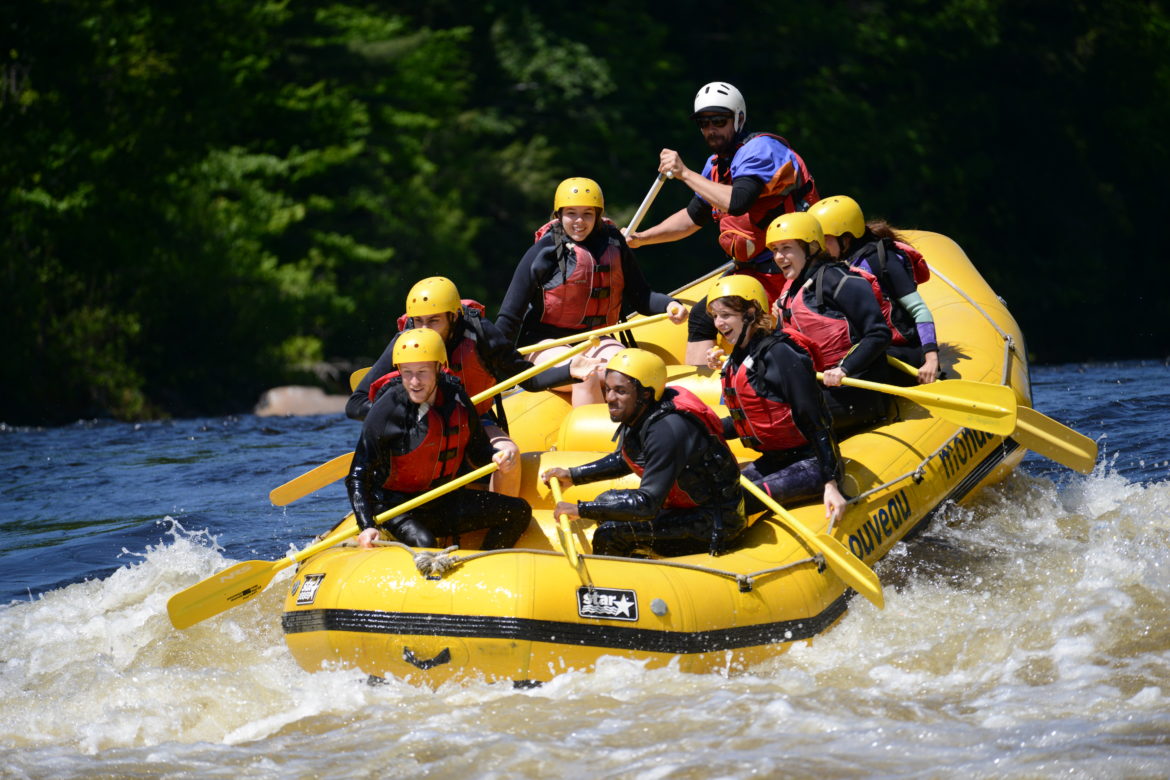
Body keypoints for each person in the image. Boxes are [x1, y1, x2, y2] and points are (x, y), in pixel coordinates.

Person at [349, 276, 603, 496]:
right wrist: (397, 418)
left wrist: (569, 371)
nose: (425, 330)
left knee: (509, 455)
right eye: (419, 321)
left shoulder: (480, 333)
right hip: (420, 427)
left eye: (434, 321)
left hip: (474, 421)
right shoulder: (407, 342)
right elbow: (356, 403)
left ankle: (502, 520)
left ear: (453, 316)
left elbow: (526, 377)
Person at [626, 81, 819, 366]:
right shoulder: (715, 166)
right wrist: (642, 238)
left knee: (754, 324)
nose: (711, 129)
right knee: (703, 317)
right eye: (704, 123)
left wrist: (684, 173)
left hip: (792, 270)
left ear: (738, 119)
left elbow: (737, 201)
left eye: (719, 120)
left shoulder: (762, 149)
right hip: (754, 272)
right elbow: (693, 217)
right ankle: (698, 402)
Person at [496, 177, 688, 405]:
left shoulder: (613, 244)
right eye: (571, 213)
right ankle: (589, 437)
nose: (579, 221)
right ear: (558, 215)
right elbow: (509, 317)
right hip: (545, 345)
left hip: (596, 341)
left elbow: (641, 296)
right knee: (584, 374)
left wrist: (669, 305)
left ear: (597, 215)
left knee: (632, 373)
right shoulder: (543, 252)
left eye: (587, 213)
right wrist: (496, 362)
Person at [540, 348, 746, 558]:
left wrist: (581, 509)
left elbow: (646, 505)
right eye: (608, 389)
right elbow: (628, 458)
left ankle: (607, 589)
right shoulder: (645, 410)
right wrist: (574, 475)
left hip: (714, 524)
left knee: (610, 534)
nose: (610, 398)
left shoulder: (667, 431)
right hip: (689, 510)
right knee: (607, 499)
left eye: (620, 391)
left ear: (645, 393)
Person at [346, 328, 532, 551]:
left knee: (518, 511)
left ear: (438, 368)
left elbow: (478, 451)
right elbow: (357, 476)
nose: (415, 382)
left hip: (443, 501)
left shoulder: (457, 399)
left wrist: (497, 457)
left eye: (422, 372)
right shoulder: (386, 410)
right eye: (407, 373)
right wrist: (366, 525)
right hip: (396, 507)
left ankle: (486, 562)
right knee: (425, 543)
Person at [703, 276, 847, 528]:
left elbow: (816, 419)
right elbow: (745, 418)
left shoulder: (779, 353)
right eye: (715, 316)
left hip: (810, 463)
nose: (719, 323)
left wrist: (831, 483)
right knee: (710, 496)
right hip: (775, 459)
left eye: (726, 315)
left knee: (731, 505)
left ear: (750, 312)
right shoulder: (740, 356)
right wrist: (699, 431)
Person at [769, 212, 892, 432]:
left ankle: (826, 466)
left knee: (790, 422)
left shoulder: (838, 280)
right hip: (823, 389)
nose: (779, 257)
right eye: (775, 250)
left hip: (859, 390)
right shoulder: (792, 292)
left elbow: (878, 334)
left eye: (786, 248)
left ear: (811, 247)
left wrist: (845, 369)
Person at [811, 195, 939, 383]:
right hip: (869, 348)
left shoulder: (881, 260)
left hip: (902, 351)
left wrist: (931, 359)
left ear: (845, 239)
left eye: (825, 239)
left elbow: (919, 310)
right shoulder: (836, 267)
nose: (820, 247)